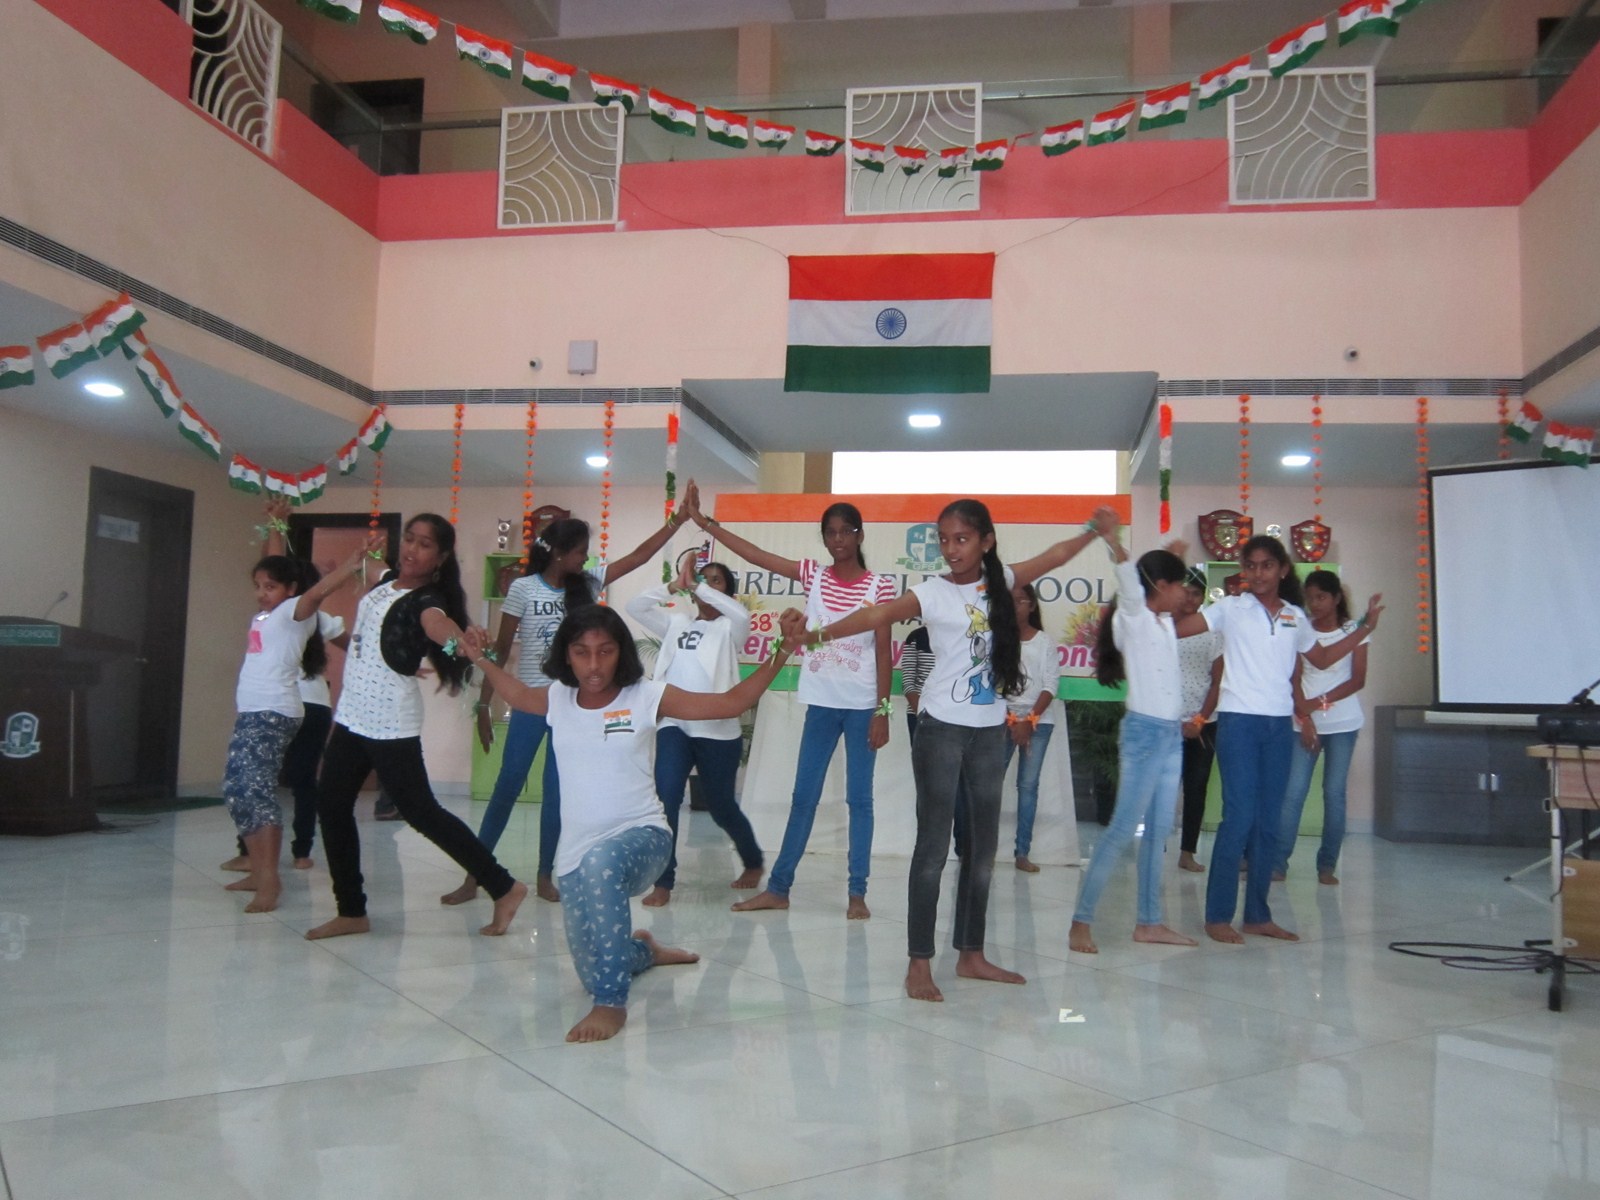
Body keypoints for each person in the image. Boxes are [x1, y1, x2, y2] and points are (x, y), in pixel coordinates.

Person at [781, 500, 1113, 1001]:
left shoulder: (1001, 581)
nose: (950, 549)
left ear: (986, 541)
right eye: (943, 539)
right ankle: (919, 963)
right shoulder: (932, 592)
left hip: (989, 732)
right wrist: (813, 635)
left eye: (961, 539)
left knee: (981, 852)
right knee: (933, 849)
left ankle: (971, 953)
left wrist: (1093, 530)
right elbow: (875, 614)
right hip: (939, 731)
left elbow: (1055, 556)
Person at [459, 603, 795, 1042]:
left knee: (601, 879)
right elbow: (518, 693)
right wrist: (479, 658)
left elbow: (731, 702)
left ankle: (611, 1004)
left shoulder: (646, 695)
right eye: (581, 653)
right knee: (592, 969)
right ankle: (644, 952)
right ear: (567, 655)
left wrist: (783, 648)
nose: (594, 665)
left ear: (621, 652)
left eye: (605, 651)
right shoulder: (557, 698)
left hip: (644, 837)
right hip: (576, 855)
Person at [444, 484, 699, 907]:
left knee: (556, 793)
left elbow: (639, 557)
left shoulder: (589, 583)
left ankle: (545, 874)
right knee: (507, 785)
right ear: (559, 553)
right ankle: (476, 874)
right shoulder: (523, 589)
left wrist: (678, 520)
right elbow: (502, 650)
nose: (585, 558)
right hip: (533, 702)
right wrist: (485, 704)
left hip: (572, 704)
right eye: (580, 551)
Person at [308, 514, 528, 941]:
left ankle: (503, 886)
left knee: (422, 813)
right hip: (352, 716)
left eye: (425, 545)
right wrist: (354, 561)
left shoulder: (428, 600)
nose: (412, 549)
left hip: (390, 720)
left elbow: (438, 626)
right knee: (331, 806)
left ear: (440, 558)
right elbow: (371, 591)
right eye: (409, 539)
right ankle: (351, 911)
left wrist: (462, 643)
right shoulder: (385, 583)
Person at [692, 498, 894, 920]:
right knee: (803, 798)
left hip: (861, 707)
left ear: (859, 535)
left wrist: (883, 711)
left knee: (860, 800)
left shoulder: (880, 587)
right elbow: (757, 556)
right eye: (830, 533)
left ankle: (857, 892)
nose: (838, 540)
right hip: (820, 703)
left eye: (846, 531)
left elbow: (882, 652)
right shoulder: (814, 576)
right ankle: (779, 888)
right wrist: (706, 524)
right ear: (824, 538)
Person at [1173, 535, 1381, 944]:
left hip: (1279, 727)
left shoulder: (1295, 617)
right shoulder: (1230, 608)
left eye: (1267, 565)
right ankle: (1218, 916)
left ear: (1283, 570)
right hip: (1238, 723)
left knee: (1269, 820)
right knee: (1239, 817)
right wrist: (1167, 600)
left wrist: (1365, 628)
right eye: (1250, 565)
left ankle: (1257, 915)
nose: (1258, 573)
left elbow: (1322, 658)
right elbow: (1181, 629)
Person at [221, 525, 374, 914]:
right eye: (258, 586)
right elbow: (278, 565)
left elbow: (315, 593)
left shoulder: (293, 613)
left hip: (273, 713)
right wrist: (276, 526)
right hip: (252, 712)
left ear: (289, 590)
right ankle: (258, 870)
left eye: (270, 587)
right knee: (237, 790)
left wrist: (352, 564)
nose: (262, 593)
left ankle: (269, 880)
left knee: (256, 791)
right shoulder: (266, 616)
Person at [1067, 530, 1196, 954]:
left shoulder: (1162, 622)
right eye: (1180, 585)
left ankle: (1150, 922)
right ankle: (1081, 921)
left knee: (1158, 831)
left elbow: (1150, 581)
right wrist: (1114, 542)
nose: (1186, 593)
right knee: (1122, 829)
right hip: (1144, 735)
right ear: (1162, 585)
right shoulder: (1134, 617)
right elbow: (1129, 580)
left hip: (1170, 735)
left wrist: (1170, 556)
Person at [625, 554, 764, 905]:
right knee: (667, 796)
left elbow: (741, 615)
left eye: (716, 581)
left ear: (727, 592)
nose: (706, 586)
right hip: (675, 725)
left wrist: (699, 586)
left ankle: (753, 861)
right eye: (703, 579)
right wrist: (674, 586)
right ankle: (663, 881)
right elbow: (635, 606)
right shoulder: (677, 622)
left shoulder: (730, 629)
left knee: (721, 807)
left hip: (717, 731)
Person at [1276, 569, 1368, 885]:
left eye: (1321, 597)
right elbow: (1294, 678)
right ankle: (1278, 864)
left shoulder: (1354, 631)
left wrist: (1318, 703)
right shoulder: (1302, 629)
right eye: (1310, 598)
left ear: (1336, 598)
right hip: (1303, 723)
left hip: (1343, 724)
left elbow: (1358, 679)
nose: (1315, 604)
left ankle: (1327, 866)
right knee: (1293, 793)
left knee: (1334, 793)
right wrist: (1305, 718)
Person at [1005, 582, 1060, 874]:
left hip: (1038, 723)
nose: (1015, 607)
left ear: (1032, 606)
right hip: (1001, 720)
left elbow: (1050, 685)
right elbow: (991, 682)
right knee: (988, 784)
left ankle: (1022, 852)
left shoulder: (1044, 642)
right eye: (1011, 602)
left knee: (1027, 787)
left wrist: (1029, 721)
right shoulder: (999, 640)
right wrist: (1010, 718)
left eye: (1021, 601)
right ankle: (980, 850)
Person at [1175, 568, 1222, 873]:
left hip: (1204, 723)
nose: (1190, 599)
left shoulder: (1213, 633)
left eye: (1196, 594)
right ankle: (1153, 847)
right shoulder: (1163, 627)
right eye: (1186, 592)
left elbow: (1218, 681)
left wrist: (1200, 719)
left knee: (1196, 788)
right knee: (1161, 788)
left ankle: (1187, 852)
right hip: (1167, 722)